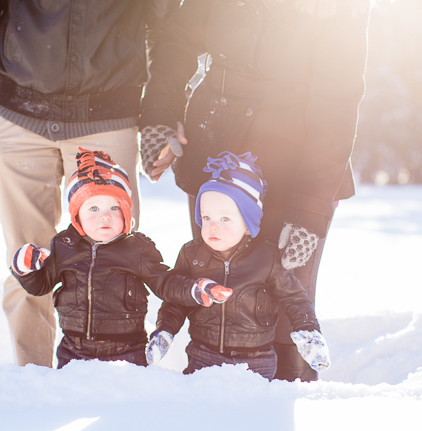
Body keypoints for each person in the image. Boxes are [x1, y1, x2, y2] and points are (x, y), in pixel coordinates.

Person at [139, 0, 370, 381]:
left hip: (299, 158)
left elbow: (339, 99)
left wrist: (310, 211)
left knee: (286, 296)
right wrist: (160, 116)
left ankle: (283, 400)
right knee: (215, 284)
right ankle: (207, 398)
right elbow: (178, 38)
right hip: (216, 146)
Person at [0, 0, 179, 366]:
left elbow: (169, 25)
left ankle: (109, 385)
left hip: (107, 119)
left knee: (116, 260)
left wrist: (159, 112)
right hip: (16, 117)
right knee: (27, 262)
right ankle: (34, 384)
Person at [10, 150, 233, 368]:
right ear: (77, 215)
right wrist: (26, 269)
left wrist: (193, 289)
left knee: (126, 403)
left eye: (114, 207)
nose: (105, 215)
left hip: (127, 351)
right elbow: (40, 286)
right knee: (75, 402)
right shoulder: (64, 246)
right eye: (93, 208)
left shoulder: (137, 248)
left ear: (126, 212)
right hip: (73, 350)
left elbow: (165, 283)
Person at [146, 152, 330, 380]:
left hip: (257, 361)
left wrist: (308, 331)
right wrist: (165, 332)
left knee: (251, 412)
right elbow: (176, 301)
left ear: (247, 223)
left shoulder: (267, 258)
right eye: (206, 218)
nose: (213, 227)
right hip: (203, 356)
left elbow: (294, 298)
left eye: (225, 219)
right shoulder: (192, 254)